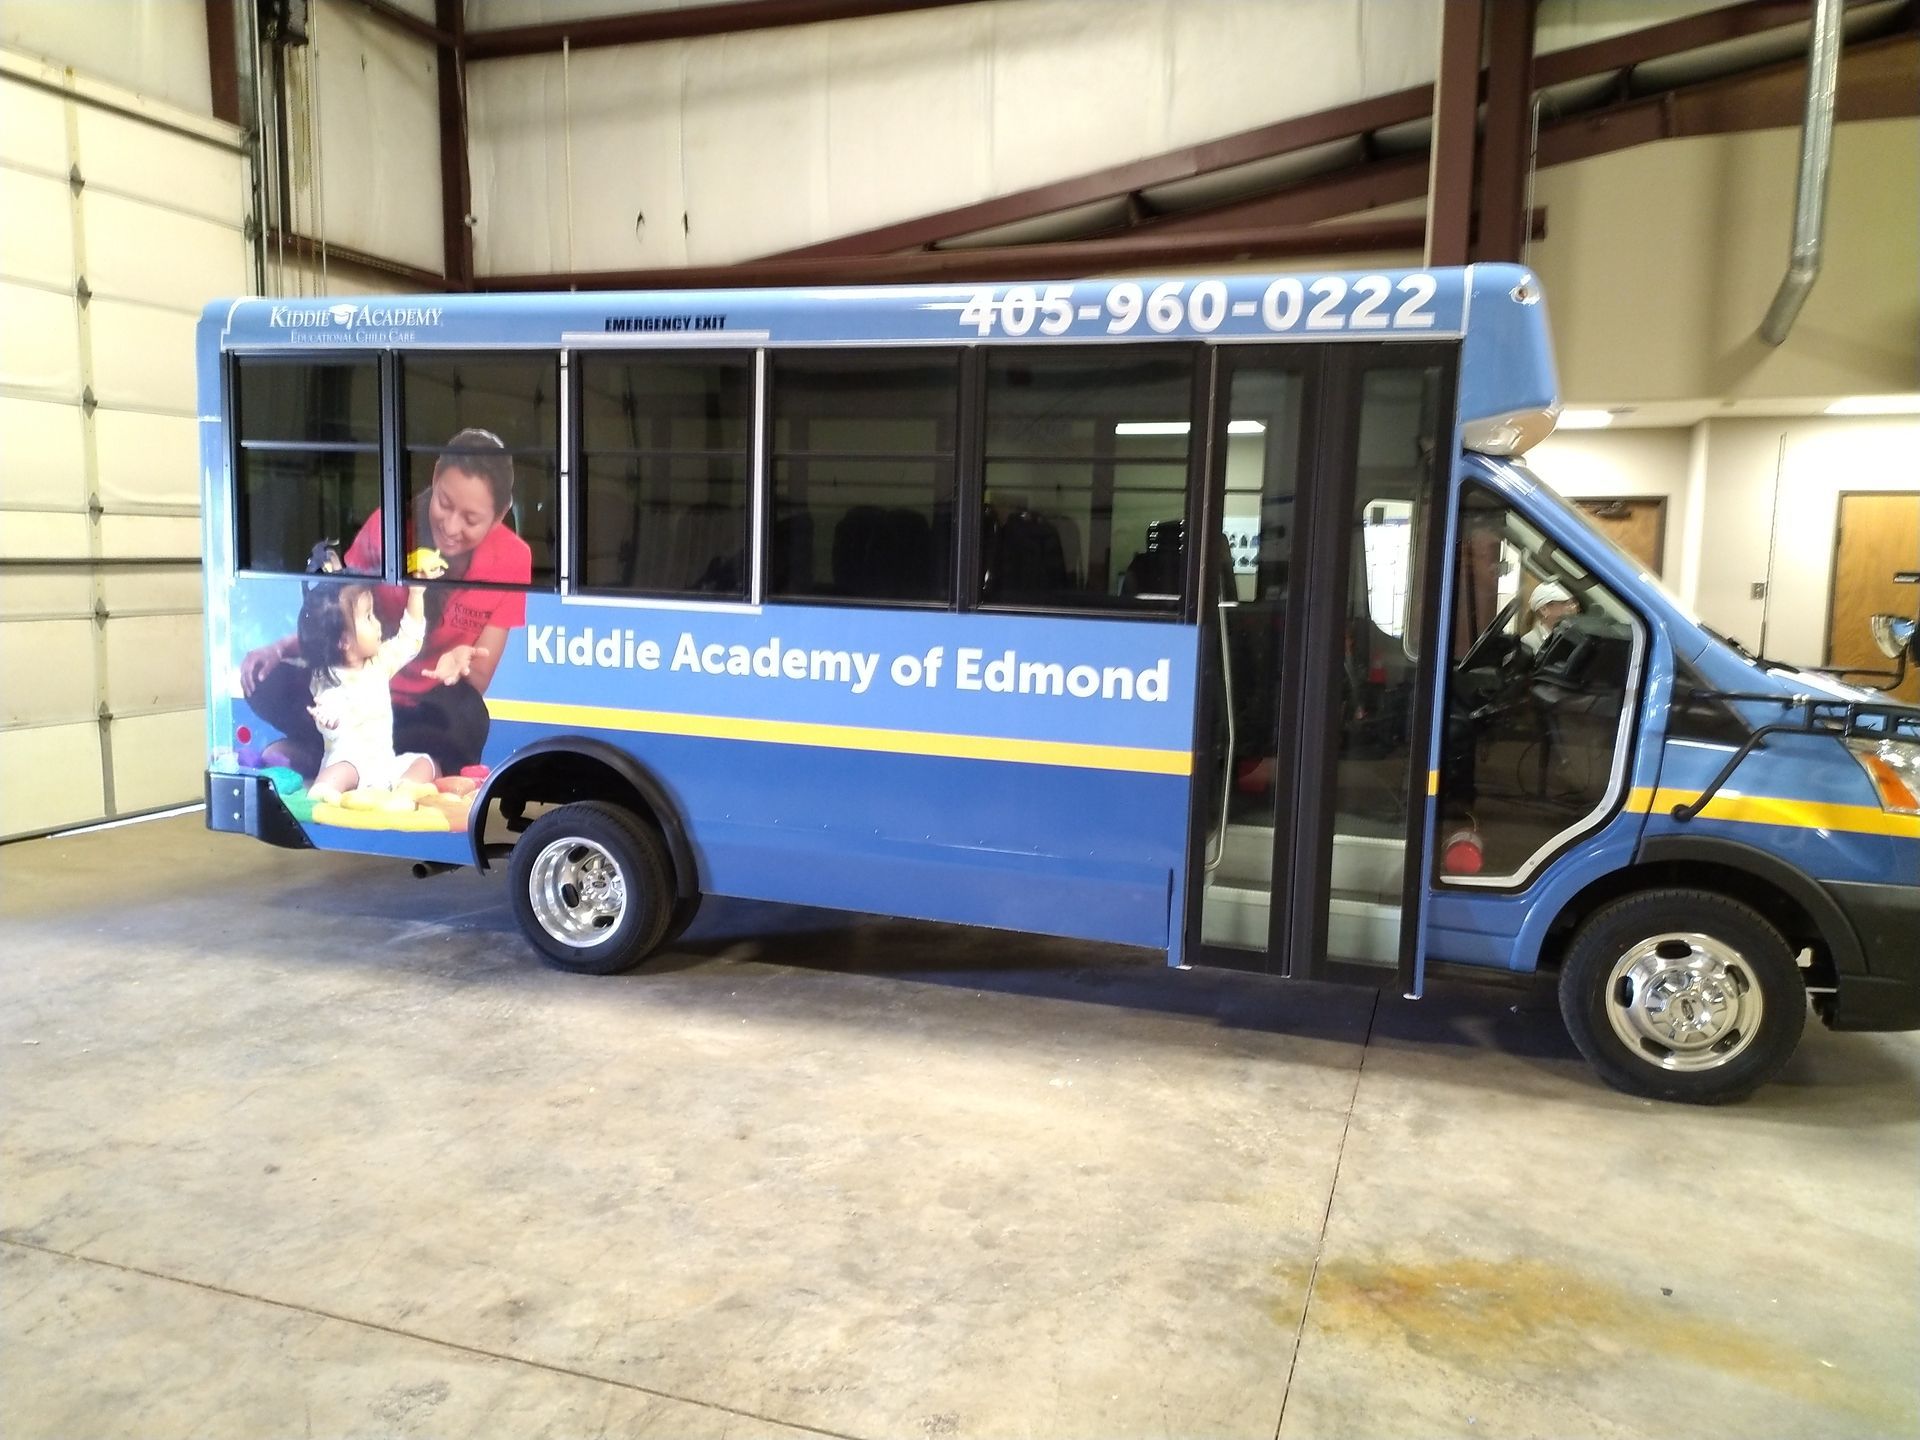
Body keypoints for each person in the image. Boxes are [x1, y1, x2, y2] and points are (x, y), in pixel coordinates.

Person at [242, 429, 532, 778]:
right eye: (444, 503)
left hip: (421, 712)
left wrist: (458, 663)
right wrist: (280, 648)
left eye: (471, 519)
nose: (451, 526)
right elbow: (336, 622)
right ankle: (332, 753)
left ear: (499, 515)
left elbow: (477, 678)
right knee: (264, 678)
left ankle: (385, 765)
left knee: (468, 714)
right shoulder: (387, 527)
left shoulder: (514, 558)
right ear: (435, 476)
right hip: (354, 698)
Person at [297, 573, 436, 803]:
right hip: (350, 764)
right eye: (369, 617)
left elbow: (409, 639)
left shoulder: (379, 662)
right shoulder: (326, 677)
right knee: (340, 771)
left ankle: (404, 791)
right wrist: (329, 720)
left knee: (425, 763)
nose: (378, 623)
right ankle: (324, 791)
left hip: (383, 767)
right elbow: (329, 707)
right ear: (344, 641)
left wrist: (416, 593)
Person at [1520, 579, 1579, 655]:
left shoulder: (1577, 635)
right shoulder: (1529, 642)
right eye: (1565, 603)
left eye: (1574, 602)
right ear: (1544, 610)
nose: (1574, 607)